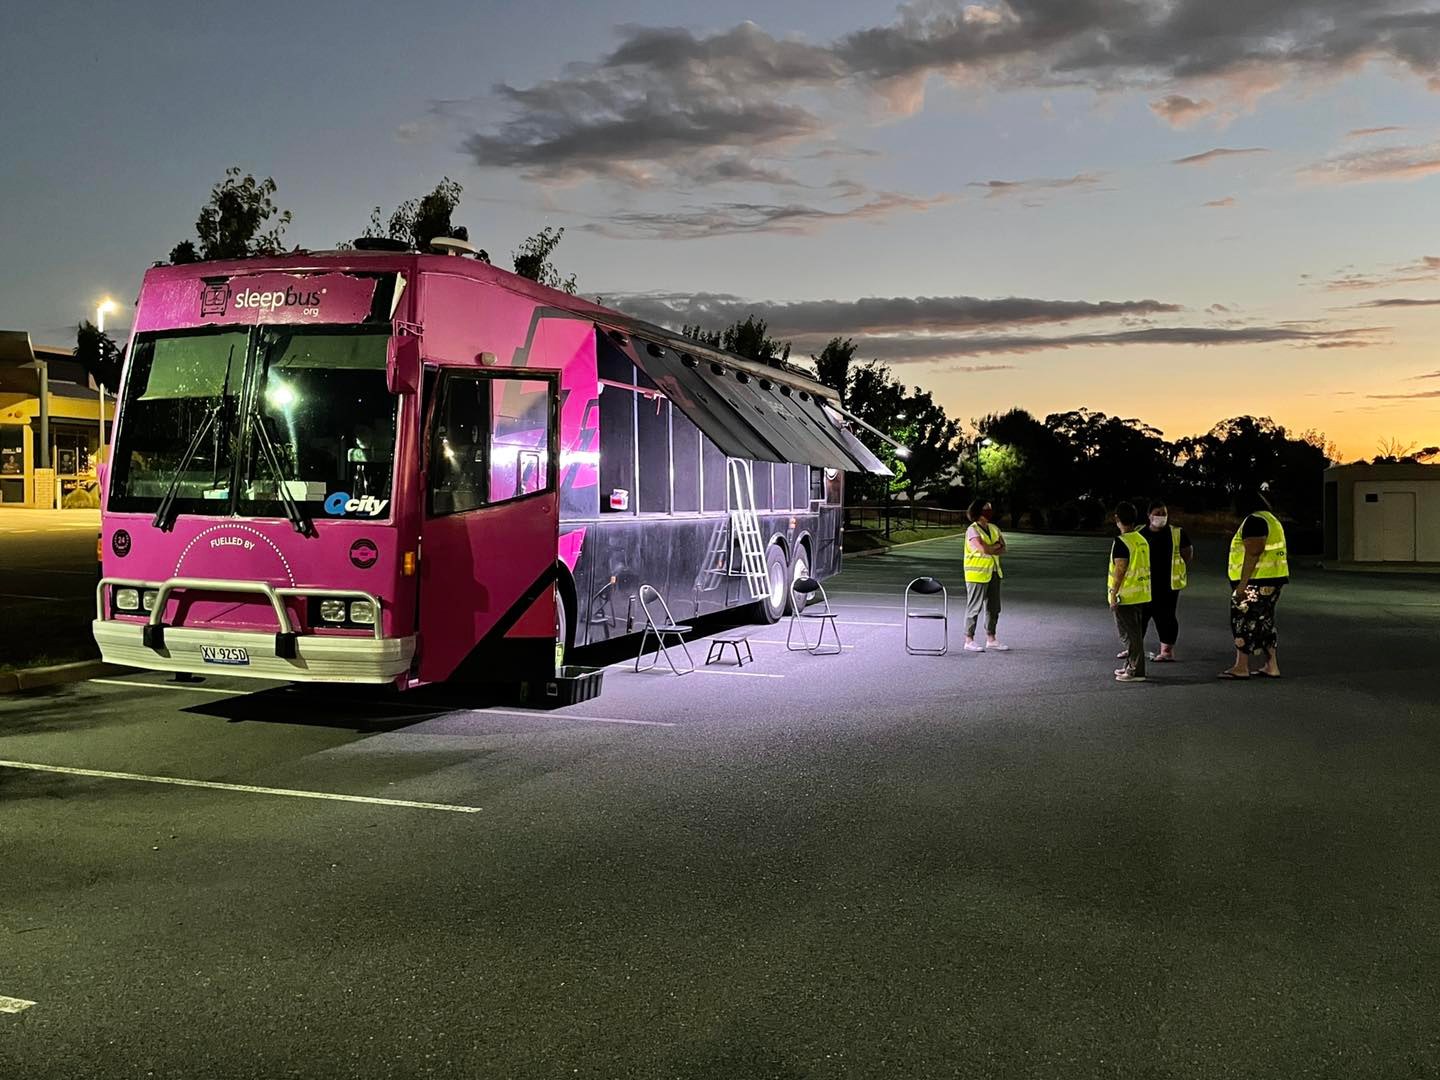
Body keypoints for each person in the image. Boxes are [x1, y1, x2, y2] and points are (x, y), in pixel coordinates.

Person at [1221, 488, 1289, 680]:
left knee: (1242, 620)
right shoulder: (1271, 520)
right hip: (1274, 578)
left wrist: (1242, 586)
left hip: (1256, 581)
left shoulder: (1254, 521)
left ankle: (1241, 666)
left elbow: (1253, 552)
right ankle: (1271, 665)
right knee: (1265, 621)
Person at [1126, 500, 1193, 663]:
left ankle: (1166, 651)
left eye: (1164, 513)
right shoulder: (1139, 532)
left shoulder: (1177, 533)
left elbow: (1187, 554)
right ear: (1149, 515)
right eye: (1157, 513)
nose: (1161, 517)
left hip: (1168, 584)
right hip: (1144, 583)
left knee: (1166, 617)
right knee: (1140, 616)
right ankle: (1134, 648)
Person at [1108, 501, 1152, 683]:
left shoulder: (1122, 541)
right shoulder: (1141, 539)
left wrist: (1113, 594)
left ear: (1117, 518)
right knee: (1134, 633)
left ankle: (1136, 670)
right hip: (1140, 593)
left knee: (1130, 635)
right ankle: (1130, 666)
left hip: (1125, 595)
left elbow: (1120, 569)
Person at [963, 498, 1010, 652]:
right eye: (986, 508)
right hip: (976, 575)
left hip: (994, 572)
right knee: (974, 608)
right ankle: (969, 640)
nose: (989, 510)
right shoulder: (973, 529)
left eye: (990, 507)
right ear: (978, 511)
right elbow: (983, 549)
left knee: (994, 608)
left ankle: (991, 638)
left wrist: (993, 547)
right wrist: (994, 546)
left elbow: (1004, 548)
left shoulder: (994, 528)